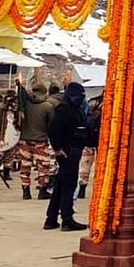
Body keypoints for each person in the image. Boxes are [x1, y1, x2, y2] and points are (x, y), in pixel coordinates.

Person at [45, 82, 88, 232]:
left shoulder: (74, 108)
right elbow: (53, 129)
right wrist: (57, 148)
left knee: (61, 184)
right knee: (68, 184)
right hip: (67, 150)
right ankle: (67, 219)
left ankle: (51, 218)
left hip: (72, 149)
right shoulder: (64, 109)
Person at [16, 83, 56, 201]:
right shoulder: (48, 106)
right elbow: (52, 125)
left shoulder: (24, 105)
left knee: (25, 166)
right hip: (40, 141)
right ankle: (42, 191)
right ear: (45, 93)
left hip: (24, 140)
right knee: (43, 167)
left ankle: (26, 191)